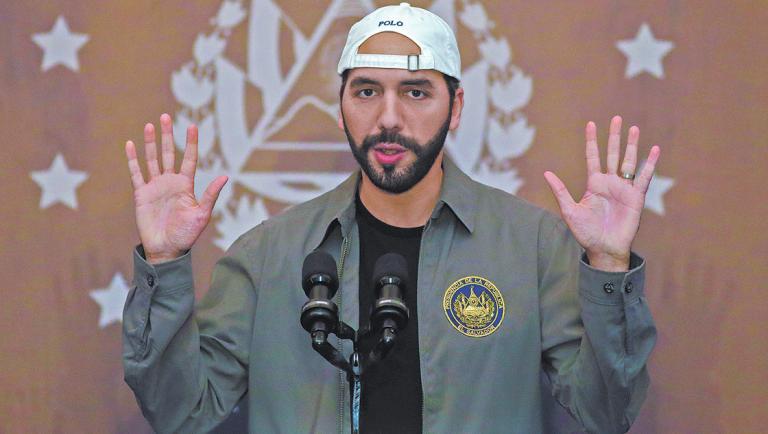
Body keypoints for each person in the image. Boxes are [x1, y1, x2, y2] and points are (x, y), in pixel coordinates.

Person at [122, 3, 660, 433]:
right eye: (366, 91)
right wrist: (164, 264)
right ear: (340, 107)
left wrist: (610, 265)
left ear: (457, 106)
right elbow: (182, 413)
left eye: (416, 92)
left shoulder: (533, 246)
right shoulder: (269, 254)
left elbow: (604, 413)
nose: (388, 118)